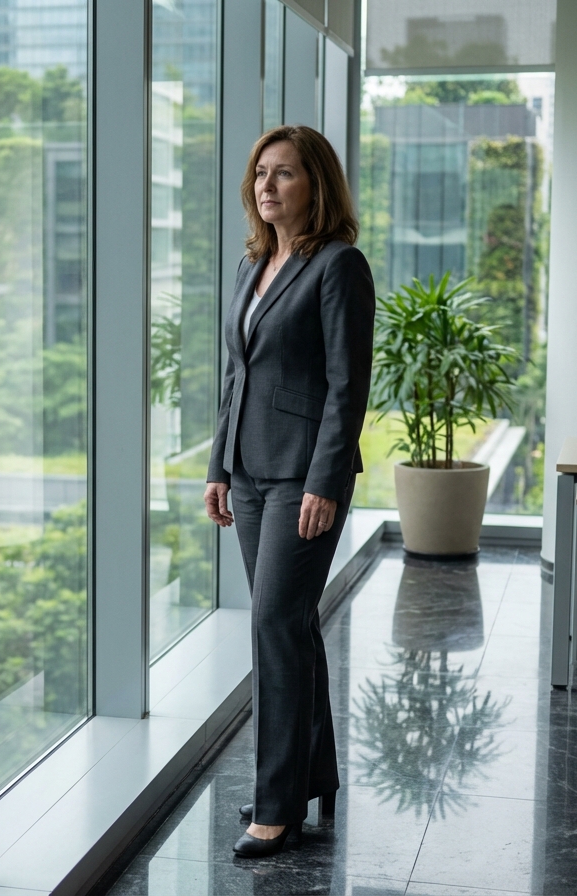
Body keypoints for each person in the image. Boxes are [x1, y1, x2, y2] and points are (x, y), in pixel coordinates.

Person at [203, 125, 374, 858]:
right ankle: (313, 773)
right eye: (261, 174)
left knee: (275, 621)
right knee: (291, 624)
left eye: (285, 175)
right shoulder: (252, 266)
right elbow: (236, 377)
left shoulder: (339, 266)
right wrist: (217, 465)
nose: (268, 186)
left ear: (317, 185)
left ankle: (277, 807)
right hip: (249, 469)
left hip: (303, 476)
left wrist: (326, 480)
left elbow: (347, 385)